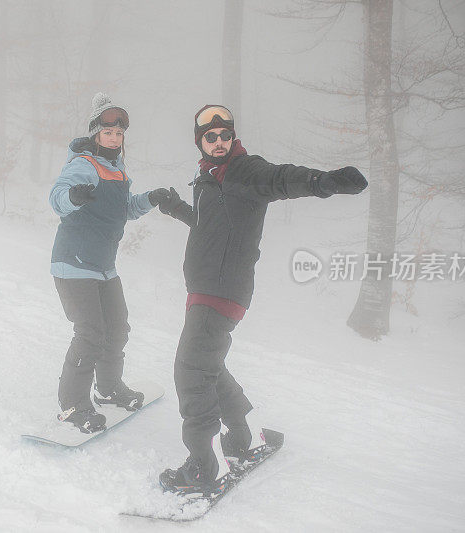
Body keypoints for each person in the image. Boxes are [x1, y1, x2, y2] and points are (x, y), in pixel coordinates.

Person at [155, 105, 367, 494]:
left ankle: (203, 465)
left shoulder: (244, 170)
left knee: (190, 369)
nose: (219, 142)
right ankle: (243, 435)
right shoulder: (208, 179)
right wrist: (175, 207)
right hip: (206, 286)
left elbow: (282, 179)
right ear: (200, 142)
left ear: (232, 138)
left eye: (225, 135)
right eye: (210, 137)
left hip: (221, 288)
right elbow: (209, 226)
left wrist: (325, 181)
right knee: (208, 365)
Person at [48, 93, 169, 434]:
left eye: (118, 134)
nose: (114, 138)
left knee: (117, 328)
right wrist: (72, 197)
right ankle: (72, 405)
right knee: (90, 333)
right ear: (95, 134)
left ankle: (108, 387)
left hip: (103, 266)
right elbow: (57, 197)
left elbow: (125, 209)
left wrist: (151, 199)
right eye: (107, 132)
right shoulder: (83, 165)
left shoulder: (116, 169)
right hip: (74, 263)